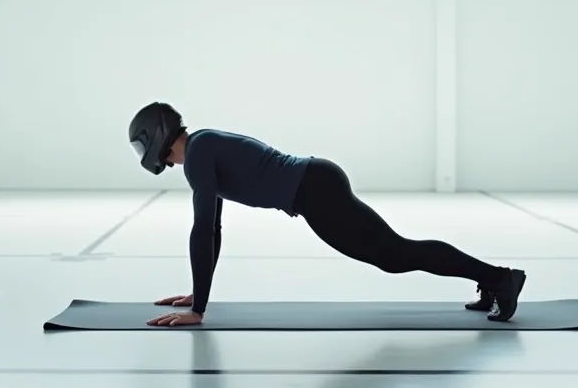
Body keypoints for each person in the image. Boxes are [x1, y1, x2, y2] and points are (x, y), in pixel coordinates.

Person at [127, 101, 526, 327]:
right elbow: (212, 229)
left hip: (313, 190)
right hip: (316, 183)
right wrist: (198, 296)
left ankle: (500, 279)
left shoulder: (199, 154)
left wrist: (198, 310)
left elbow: (202, 231)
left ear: (155, 136)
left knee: (397, 255)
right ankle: (494, 280)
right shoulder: (202, 147)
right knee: (395, 254)